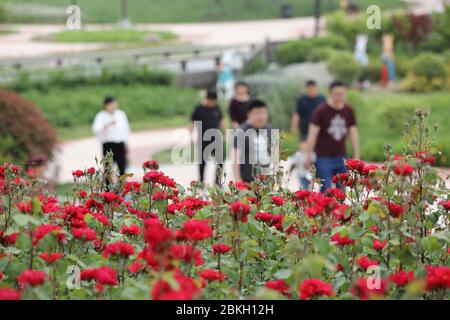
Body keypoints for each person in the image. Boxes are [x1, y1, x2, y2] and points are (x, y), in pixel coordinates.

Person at [304, 81, 360, 192]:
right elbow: (312, 135)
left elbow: (353, 134)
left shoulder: (349, 111)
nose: (339, 97)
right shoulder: (320, 111)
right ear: (330, 94)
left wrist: (356, 155)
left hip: (342, 157)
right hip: (323, 158)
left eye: (342, 94)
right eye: (336, 94)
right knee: (326, 190)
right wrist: (308, 156)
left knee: (342, 191)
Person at [291, 80, 326, 189]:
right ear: (307, 89)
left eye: (313, 88)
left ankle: (318, 179)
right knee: (304, 155)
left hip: (320, 133)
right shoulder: (302, 100)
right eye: (309, 88)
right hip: (305, 131)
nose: (311, 90)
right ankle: (304, 183)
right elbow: (296, 114)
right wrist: (294, 128)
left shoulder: (321, 99)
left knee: (318, 156)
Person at [232, 99, 275, 183]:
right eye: (257, 113)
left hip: (266, 180)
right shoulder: (241, 131)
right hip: (247, 181)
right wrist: (237, 180)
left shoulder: (270, 130)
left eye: (263, 113)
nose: (261, 117)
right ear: (249, 114)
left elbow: (276, 156)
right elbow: (235, 157)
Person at [190, 90, 225, 185]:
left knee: (220, 160)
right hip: (203, 138)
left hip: (216, 138)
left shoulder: (216, 107)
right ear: (207, 99)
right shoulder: (199, 108)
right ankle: (201, 181)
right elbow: (192, 123)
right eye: (211, 100)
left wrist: (225, 134)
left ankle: (217, 181)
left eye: (214, 101)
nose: (212, 103)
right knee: (202, 161)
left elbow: (221, 121)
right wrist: (191, 137)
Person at [92, 96, 130, 177]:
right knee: (107, 168)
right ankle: (108, 188)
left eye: (115, 104)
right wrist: (107, 125)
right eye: (112, 104)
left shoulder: (121, 114)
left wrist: (127, 143)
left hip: (120, 144)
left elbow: (126, 129)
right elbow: (96, 129)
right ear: (106, 105)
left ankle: (121, 186)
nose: (114, 106)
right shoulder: (101, 116)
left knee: (122, 167)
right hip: (108, 144)